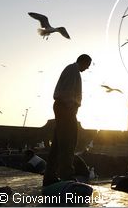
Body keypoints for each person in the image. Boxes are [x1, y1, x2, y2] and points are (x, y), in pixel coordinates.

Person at [43, 54, 92, 186]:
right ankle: (67, 176)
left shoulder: (72, 70)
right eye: (87, 65)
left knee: (58, 144)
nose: (87, 68)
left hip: (64, 108)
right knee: (68, 142)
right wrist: (71, 108)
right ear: (83, 61)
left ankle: (50, 176)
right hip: (66, 108)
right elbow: (68, 91)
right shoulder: (72, 70)